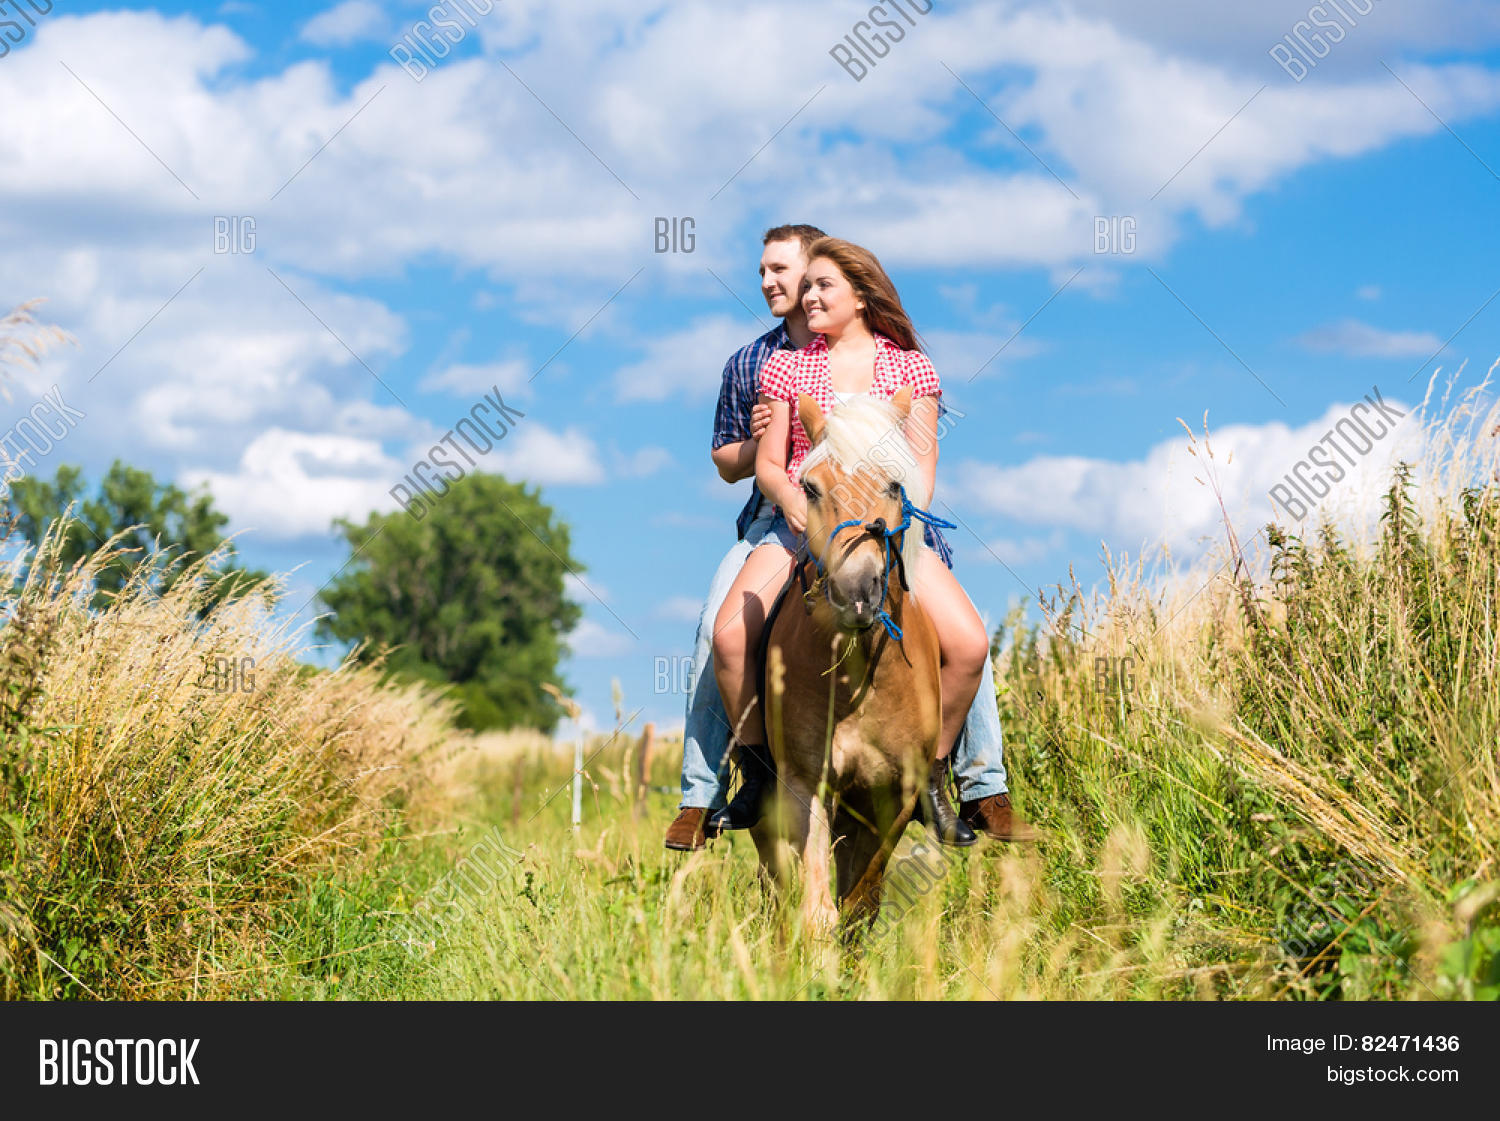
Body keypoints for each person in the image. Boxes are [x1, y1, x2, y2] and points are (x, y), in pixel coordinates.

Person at [664, 227, 1033, 851]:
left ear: (861, 295)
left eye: (819, 285)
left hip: (889, 531)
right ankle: (752, 774)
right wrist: (806, 518)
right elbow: (768, 467)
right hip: (803, 523)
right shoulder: (787, 366)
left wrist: (891, 529)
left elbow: (922, 467)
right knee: (726, 636)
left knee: (969, 644)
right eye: (803, 285)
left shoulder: (910, 366)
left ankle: (940, 779)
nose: (805, 296)